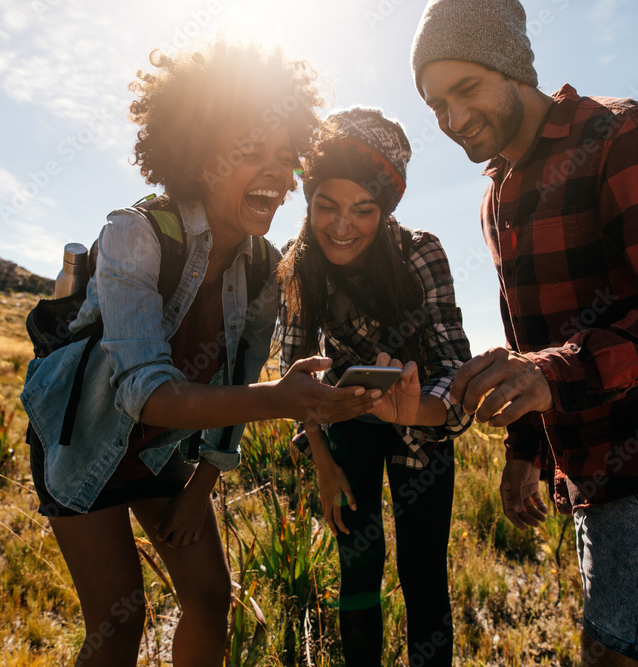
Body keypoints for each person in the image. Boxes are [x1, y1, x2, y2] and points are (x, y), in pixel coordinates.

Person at [20, 42, 384, 667]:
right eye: (250, 153)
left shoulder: (266, 264)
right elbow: (145, 391)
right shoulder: (133, 233)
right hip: (81, 439)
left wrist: (201, 486)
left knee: (212, 598)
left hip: (157, 450)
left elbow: (239, 387)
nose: (275, 174)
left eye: (284, 158)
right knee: (119, 620)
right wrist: (279, 400)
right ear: (200, 157)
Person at [410, 1, 638, 665]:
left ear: (512, 68)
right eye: (436, 105)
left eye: (465, 89)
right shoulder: (497, 194)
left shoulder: (623, 133)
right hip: (589, 461)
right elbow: (525, 339)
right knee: (616, 646)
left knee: (617, 654)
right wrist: (523, 449)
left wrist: (551, 375)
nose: (452, 119)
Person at [277, 107, 474, 667]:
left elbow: (455, 375)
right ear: (308, 201)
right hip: (345, 429)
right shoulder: (300, 266)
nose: (342, 226)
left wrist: (413, 415)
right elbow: (296, 374)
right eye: (326, 207)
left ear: (384, 208)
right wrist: (323, 462)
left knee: (422, 572)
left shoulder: (421, 253)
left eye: (363, 210)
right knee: (357, 564)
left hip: (422, 425)